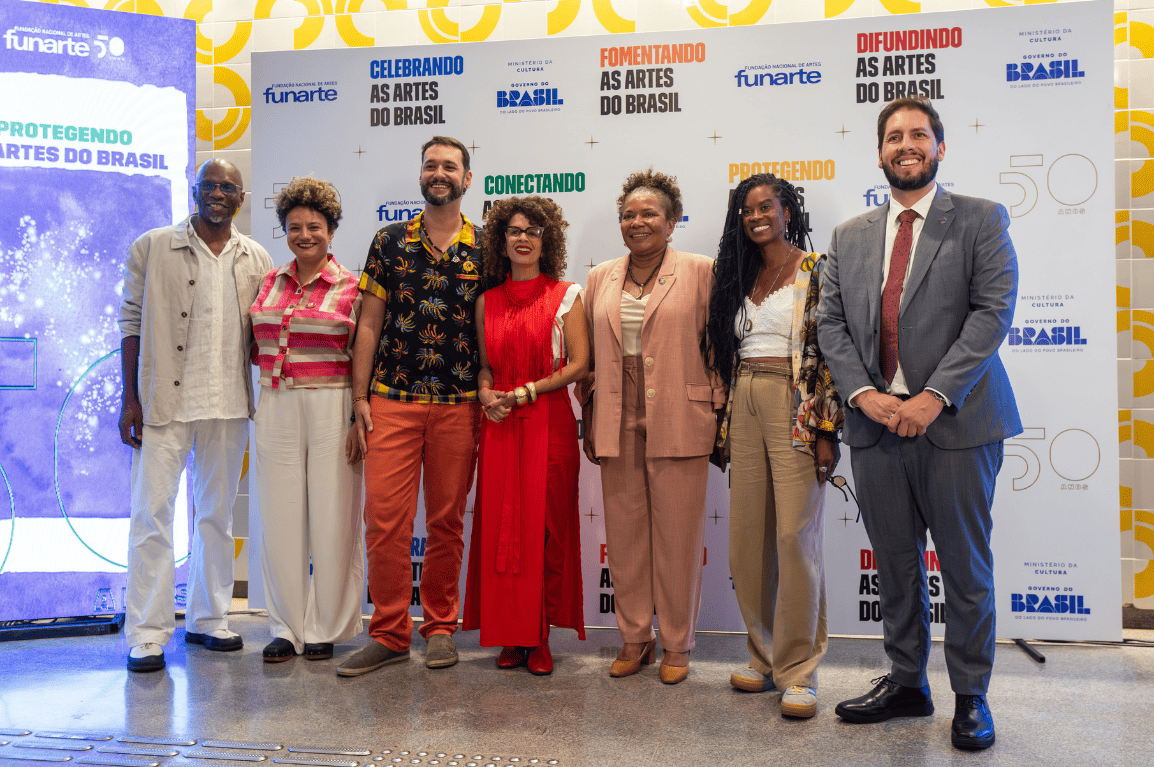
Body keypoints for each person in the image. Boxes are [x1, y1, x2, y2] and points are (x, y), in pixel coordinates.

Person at [816, 97, 1020, 748]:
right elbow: (830, 323)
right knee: (897, 567)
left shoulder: (981, 219)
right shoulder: (849, 235)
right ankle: (907, 681)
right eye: (894, 136)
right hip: (875, 427)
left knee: (964, 569)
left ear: (939, 147)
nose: (906, 144)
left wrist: (933, 395)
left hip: (957, 424)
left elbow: (992, 313)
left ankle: (971, 696)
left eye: (919, 135)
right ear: (879, 152)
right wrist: (862, 395)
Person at [118, 159, 273, 673]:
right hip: (162, 404)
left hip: (228, 405)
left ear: (241, 197)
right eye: (209, 185)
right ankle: (147, 633)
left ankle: (208, 618)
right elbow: (130, 324)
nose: (218, 193)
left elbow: (263, 333)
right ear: (194, 191)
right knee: (152, 516)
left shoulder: (256, 257)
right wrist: (130, 399)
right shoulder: (152, 247)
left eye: (228, 187)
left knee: (217, 516)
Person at [337, 136, 483, 677]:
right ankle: (389, 632)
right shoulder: (390, 240)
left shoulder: (486, 247)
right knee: (384, 522)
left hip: (459, 404)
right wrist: (359, 397)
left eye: (450, 166)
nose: (439, 173)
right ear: (420, 175)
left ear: (467, 179)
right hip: (391, 401)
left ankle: (440, 627)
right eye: (430, 165)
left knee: (447, 523)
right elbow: (368, 323)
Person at [578, 169, 725, 685]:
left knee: (678, 539)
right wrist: (590, 414)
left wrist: (719, 410)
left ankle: (677, 644)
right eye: (628, 215)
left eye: (649, 213)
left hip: (681, 414)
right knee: (624, 539)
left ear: (672, 220)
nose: (637, 222)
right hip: (616, 417)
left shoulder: (702, 271)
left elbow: (719, 348)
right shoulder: (600, 277)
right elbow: (589, 360)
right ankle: (635, 636)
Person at [703, 174, 843, 718]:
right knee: (747, 540)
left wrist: (826, 429)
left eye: (767, 206)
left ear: (788, 211)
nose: (756, 216)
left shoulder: (817, 269)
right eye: (747, 209)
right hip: (743, 399)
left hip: (795, 402)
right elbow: (723, 351)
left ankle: (799, 671)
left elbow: (829, 352)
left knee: (794, 537)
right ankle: (762, 658)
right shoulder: (738, 274)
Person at [461, 196, 588, 675]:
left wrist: (528, 391)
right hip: (499, 425)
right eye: (514, 231)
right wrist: (486, 392)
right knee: (503, 530)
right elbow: (486, 367)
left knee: (546, 530)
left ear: (546, 240)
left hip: (549, 422)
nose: (523, 238)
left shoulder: (567, 294)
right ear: (501, 241)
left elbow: (580, 364)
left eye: (533, 231)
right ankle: (510, 634)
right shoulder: (486, 301)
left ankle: (539, 635)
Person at [249, 176, 364, 663]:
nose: (304, 235)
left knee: (334, 516)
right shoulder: (269, 281)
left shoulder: (353, 287)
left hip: (332, 403)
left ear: (331, 230)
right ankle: (285, 627)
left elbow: (364, 356)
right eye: (294, 227)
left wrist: (359, 416)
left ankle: (325, 627)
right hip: (275, 401)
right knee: (279, 519)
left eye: (314, 226)